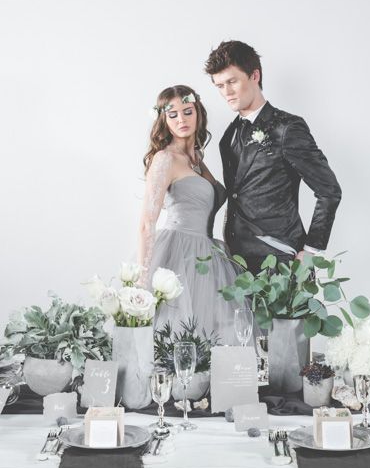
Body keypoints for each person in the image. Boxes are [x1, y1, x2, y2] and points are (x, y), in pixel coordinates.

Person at [204, 40, 341, 274]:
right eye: (219, 85)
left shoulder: (288, 128)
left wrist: (311, 252)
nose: (226, 92)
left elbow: (329, 191)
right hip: (236, 264)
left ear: (254, 75)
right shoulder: (227, 136)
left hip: (283, 262)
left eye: (232, 81)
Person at [137, 84, 237, 343]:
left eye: (187, 111)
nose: (181, 119)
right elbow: (147, 222)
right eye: (173, 115)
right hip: (178, 252)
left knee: (209, 337)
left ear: (198, 113)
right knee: (178, 333)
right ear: (164, 120)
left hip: (209, 255)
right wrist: (142, 281)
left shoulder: (197, 159)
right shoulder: (165, 159)